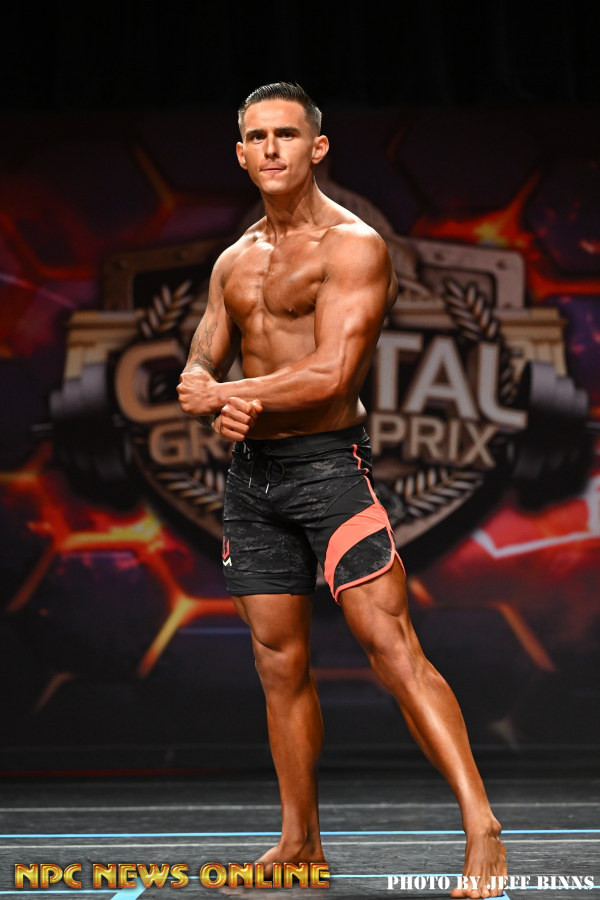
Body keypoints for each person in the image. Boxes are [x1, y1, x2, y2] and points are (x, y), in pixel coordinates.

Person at [177, 82, 506, 899]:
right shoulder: (233, 261)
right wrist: (201, 388)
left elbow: (333, 373)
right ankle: (300, 844)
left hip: (328, 470)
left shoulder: (353, 247)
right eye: (258, 137)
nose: (272, 149)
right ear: (241, 154)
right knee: (277, 662)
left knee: (392, 650)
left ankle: (483, 828)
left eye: (288, 134)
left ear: (317, 147)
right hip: (253, 483)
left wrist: (230, 397)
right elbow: (203, 356)